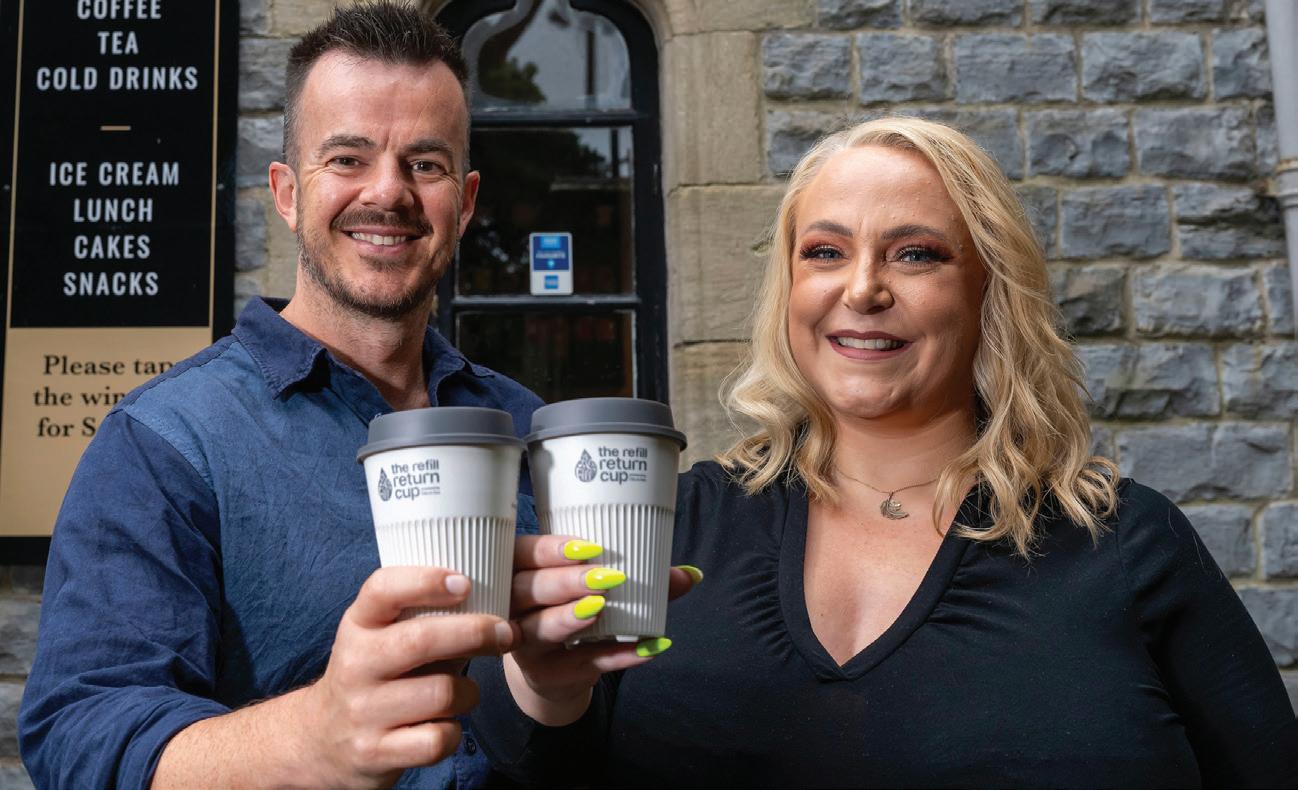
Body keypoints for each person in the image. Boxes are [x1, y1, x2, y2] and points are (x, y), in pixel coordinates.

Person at [466, 117, 1298, 786]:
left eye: (916, 254)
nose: (862, 288)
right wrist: (544, 686)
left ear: (988, 290)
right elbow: (530, 768)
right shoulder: (671, 527)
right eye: (825, 252)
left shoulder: (1128, 546)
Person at [17, 4, 583, 787]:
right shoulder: (164, 441)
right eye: (348, 159)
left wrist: (556, 691)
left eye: (425, 164)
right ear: (286, 193)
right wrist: (313, 738)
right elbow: (81, 739)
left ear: (466, 200)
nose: (388, 192)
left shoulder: (530, 428)